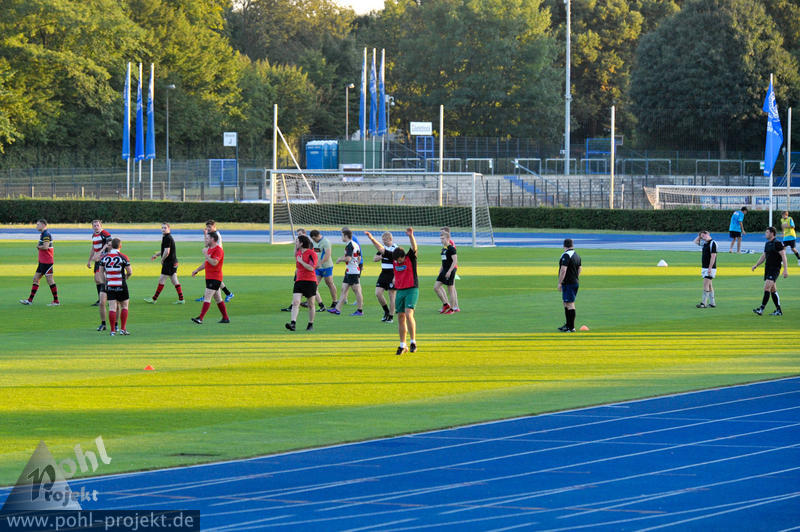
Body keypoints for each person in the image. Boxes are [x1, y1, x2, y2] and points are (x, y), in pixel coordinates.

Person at [365, 227, 419, 355]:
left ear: (403, 256)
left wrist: (411, 236)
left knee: (408, 314)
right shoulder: (394, 259)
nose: (398, 262)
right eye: (396, 261)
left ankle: (413, 342)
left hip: (411, 289)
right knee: (400, 317)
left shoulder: (410, 258)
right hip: (400, 290)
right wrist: (371, 238)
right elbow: (381, 249)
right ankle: (402, 345)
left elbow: (414, 247)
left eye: (399, 260)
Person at [191, 231, 230, 324]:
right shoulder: (209, 249)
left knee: (207, 297)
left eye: (207, 238)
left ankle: (200, 318)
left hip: (215, 278)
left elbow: (214, 262)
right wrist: (197, 270)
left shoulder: (218, 250)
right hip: (210, 277)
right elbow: (207, 263)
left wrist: (205, 254)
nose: (205, 240)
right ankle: (225, 318)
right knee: (218, 299)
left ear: (213, 239)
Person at [19, 219, 59, 306]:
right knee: (36, 279)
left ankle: (56, 301)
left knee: (50, 280)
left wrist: (38, 246)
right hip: (42, 262)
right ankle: (29, 300)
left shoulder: (46, 234)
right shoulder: (43, 234)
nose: (36, 226)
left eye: (38, 224)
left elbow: (46, 247)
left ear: (43, 225)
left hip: (47, 262)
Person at [752, 226, 788, 316]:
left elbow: (783, 256)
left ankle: (761, 309)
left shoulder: (777, 243)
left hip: (775, 269)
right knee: (773, 290)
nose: (765, 234)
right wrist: (756, 265)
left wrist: (785, 270)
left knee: (766, 288)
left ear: (772, 233)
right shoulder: (767, 244)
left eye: (767, 232)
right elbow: (763, 256)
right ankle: (779, 310)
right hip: (768, 269)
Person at [144, 222, 184, 304]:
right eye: (162, 228)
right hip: (173, 262)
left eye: (165, 228)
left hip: (169, 263)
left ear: (169, 229)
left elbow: (167, 251)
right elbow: (164, 250)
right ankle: (181, 299)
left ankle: (154, 299)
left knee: (162, 279)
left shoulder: (167, 238)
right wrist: (156, 255)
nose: (163, 229)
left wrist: (162, 259)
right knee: (174, 280)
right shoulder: (166, 237)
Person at [99, 238, 132, 336]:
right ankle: (123, 329)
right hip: (121, 284)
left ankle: (112, 331)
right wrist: (126, 277)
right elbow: (130, 272)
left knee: (112, 307)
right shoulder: (123, 257)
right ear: (120, 246)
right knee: (124, 306)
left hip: (110, 285)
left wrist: (105, 283)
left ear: (111, 246)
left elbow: (100, 273)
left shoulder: (104, 257)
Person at [196, 220, 234, 303]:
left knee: (214, 278)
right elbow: (207, 245)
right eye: (207, 227)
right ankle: (228, 293)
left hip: (215, 257)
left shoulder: (216, 235)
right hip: (211, 255)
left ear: (214, 226)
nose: (208, 228)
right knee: (214, 279)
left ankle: (206, 297)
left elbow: (215, 248)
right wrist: (205, 234)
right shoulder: (211, 234)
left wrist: (210, 256)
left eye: (209, 227)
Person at [327, 228, 363, 316]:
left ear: (346, 236)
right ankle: (337, 309)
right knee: (344, 289)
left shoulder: (349, 245)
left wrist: (340, 259)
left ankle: (360, 310)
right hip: (350, 271)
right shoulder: (355, 244)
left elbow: (348, 258)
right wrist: (356, 265)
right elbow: (359, 258)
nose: (341, 237)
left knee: (357, 291)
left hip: (352, 272)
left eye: (342, 236)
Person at [285, 235, 318, 331]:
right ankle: (293, 324)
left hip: (310, 281)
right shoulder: (298, 253)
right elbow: (296, 258)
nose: (295, 243)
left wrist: (302, 261)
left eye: (297, 241)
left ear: (302, 243)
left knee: (311, 304)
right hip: (299, 281)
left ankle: (310, 324)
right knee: (296, 302)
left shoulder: (312, 254)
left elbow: (311, 268)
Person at [88, 220, 113, 330]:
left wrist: (100, 253)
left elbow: (109, 244)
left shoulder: (105, 233)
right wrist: (89, 260)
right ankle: (101, 299)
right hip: (97, 259)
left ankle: (107, 298)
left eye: (97, 225)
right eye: (94, 226)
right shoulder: (94, 235)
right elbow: (93, 248)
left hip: (104, 258)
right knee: (97, 279)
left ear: (101, 225)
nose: (96, 227)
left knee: (101, 278)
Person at [557, 238, 582, 332]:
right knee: (566, 303)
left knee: (570, 304)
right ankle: (568, 325)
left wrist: (560, 282)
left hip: (569, 283)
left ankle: (571, 327)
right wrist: (575, 277)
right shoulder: (577, 255)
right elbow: (580, 268)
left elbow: (563, 270)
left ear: (564, 246)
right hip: (573, 282)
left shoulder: (566, 255)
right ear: (572, 245)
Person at [310, 229, 337, 311]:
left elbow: (328, 254)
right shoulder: (314, 242)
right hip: (317, 268)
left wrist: (320, 263)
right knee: (313, 285)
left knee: (329, 283)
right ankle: (316, 303)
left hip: (326, 266)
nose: (313, 240)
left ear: (316, 236)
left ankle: (335, 301)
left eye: (314, 238)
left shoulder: (326, 242)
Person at [281, 228, 308, 312]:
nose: (298, 236)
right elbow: (295, 255)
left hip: (305, 271)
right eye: (298, 234)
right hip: (299, 270)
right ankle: (293, 305)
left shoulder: (308, 244)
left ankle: (320, 305)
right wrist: (296, 245)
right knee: (303, 288)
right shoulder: (299, 244)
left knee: (310, 289)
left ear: (304, 233)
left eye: (300, 234)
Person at [433, 231, 459, 314]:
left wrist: (450, 271)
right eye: (441, 239)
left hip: (450, 271)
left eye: (443, 238)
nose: (441, 240)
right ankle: (445, 304)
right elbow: (444, 261)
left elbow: (455, 261)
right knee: (436, 287)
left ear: (448, 238)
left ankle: (452, 309)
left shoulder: (451, 249)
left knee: (450, 290)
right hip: (444, 270)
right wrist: (441, 269)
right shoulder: (444, 249)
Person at [373, 231, 396, 322]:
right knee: (378, 293)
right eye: (383, 240)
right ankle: (386, 311)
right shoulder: (382, 248)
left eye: (385, 240)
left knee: (392, 296)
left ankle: (391, 316)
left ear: (390, 239)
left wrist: (396, 277)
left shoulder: (395, 248)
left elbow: (398, 261)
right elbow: (374, 259)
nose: (384, 242)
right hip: (384, 273)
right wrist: (381, 257)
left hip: (393, 273)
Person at [692, 230, 717, 308]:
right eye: (702, 237)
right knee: (709, 285)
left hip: (710, 268)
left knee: (705, 284)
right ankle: (712, 303)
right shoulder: (705, 243)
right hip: (705, 267)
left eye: (704, 236)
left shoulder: (713, 243)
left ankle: (703, 303)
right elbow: (695, 241)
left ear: (707, 234)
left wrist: (710, 268)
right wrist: (699, 236)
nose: (703, 238)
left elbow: (713, 256)